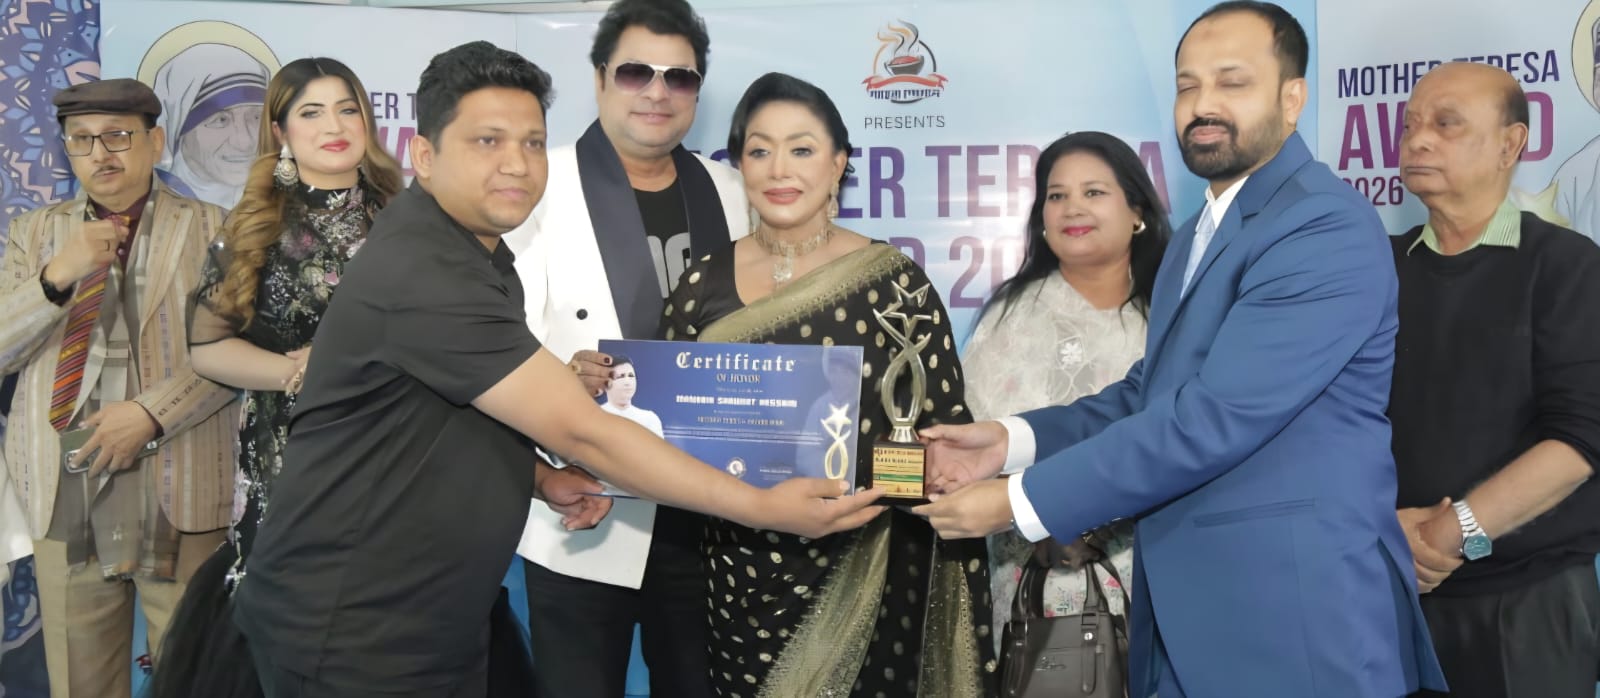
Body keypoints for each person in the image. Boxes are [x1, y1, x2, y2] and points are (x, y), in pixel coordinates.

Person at [231, 41, 882, 698]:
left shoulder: (477, 253)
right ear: (424, 156)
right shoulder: (426, 272)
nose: (517, 163)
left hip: (427, 613)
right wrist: (760, 505)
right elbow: (583, 430)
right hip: (352, 627)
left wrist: (542, 479)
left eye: (534, 143)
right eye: (487, 141)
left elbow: (451, 414)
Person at [912, 3, 1447, 696]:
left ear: (1292, 99)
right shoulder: (1199, 233)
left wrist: (1017, 502)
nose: (1203, 105)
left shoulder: (1321, 225)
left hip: (1292, 617)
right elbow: (1151, 392)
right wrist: (1009, 442)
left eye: (1232, 81)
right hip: (1187, 616)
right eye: (1187, 85)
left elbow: (1213, 417)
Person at [661, 71, 997, 696]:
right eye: (759, 150)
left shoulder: (893, 282)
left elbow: (937, 425)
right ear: (738, 165)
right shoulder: (699, 285)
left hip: (866, 558)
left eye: (802, 148)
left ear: (839, 162)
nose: (779, 169)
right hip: (735, 567)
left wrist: (900, 483)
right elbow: (662, 430)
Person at [503, 1, 746, 695]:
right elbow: (496, 341)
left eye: (680, 77)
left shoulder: (732, 190)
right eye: (637, 72)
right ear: (600, 79)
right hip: (581, 502)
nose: (657, 92)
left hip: (707, 514)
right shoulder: (537, 184)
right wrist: (558, 380)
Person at [145, 56, 405, 698]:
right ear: (282, 132)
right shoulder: (254, 227)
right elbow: (208, 349)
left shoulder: (411, 220)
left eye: (347, 109)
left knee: (395, 630)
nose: (334, 126)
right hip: (294, 457)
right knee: (293, 641)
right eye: (311, 113)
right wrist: (294, 369)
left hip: (402, 450)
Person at [0, 78, 236, 698]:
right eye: (81, 140)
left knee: (191, 676)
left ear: (155, 142)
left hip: (179, 479)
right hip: (63, 484)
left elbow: (236, 353)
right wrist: (57, 276)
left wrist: (150, 415)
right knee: (80, 684)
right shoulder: (34, 233)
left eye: (117, 136)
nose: (100, 154)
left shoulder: (217, 228)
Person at [1391, 62, 1600, 698]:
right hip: (1393, 587)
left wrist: (1450, 534)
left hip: (1528, 602)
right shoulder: (1379, 269)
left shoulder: (1566, 265)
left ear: (1511, 145)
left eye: (1446, 124)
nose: (1419, 139)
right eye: (1411, 125)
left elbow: (1581, 440)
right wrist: (1384, 528)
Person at [961, 131, 1169, 642]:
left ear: (1137, 211)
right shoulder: (1009, 319)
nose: (1073, 208)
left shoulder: (1176, 313)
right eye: (1057, 196)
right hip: (1038, 590)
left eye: (1094, 192)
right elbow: (976, 447)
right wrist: (1044, 516)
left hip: (1164, 570)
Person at [150, 42, 274, 209]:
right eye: (221, 120)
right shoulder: (151, 203)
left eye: (256, 117)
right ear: (178, 128)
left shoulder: (281, 197)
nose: (244, 142)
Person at [598, 354, 663, 437]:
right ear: (606, 382)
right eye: (621, 376)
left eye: (631, 376)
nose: (627, 382)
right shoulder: (594, 417)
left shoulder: (649, 419)